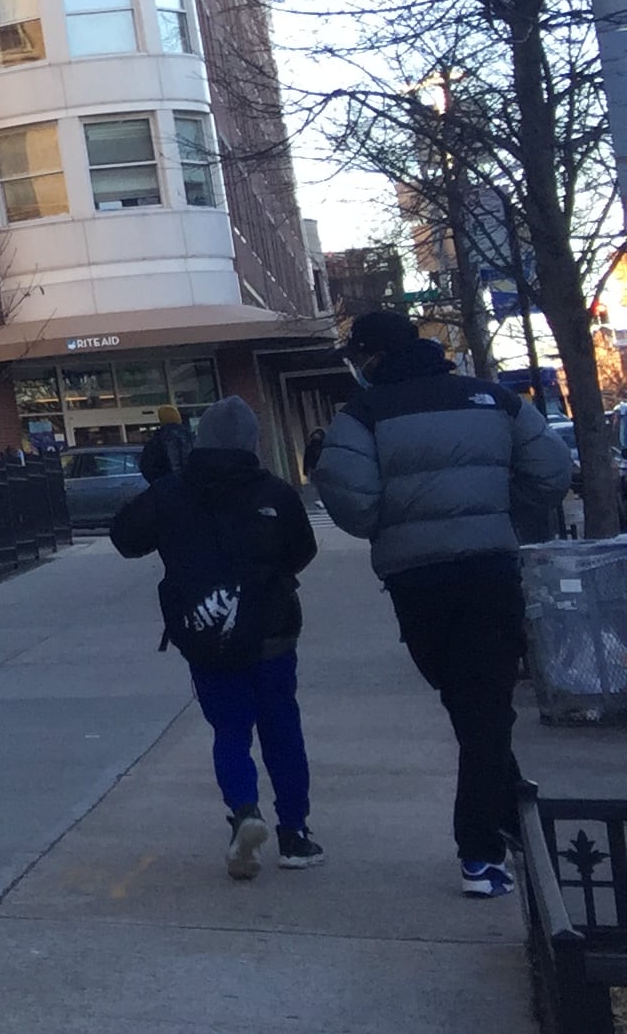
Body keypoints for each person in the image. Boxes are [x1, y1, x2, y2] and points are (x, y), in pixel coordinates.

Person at [314, 308, 576, 898]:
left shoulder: (362, 416)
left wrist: (398, 521)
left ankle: (481, 846)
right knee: (480, 702)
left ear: (375, 357)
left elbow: (352, 505)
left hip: (418, 581)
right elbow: (553, 471)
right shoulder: (493, 401)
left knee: (469, 702)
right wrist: (498, 509)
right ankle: (501, 809)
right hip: (489, 570)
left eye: (359, 356)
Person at [111, 396, 323, 879]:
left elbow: (126, 538)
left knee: (230, 730)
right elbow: (302, 551)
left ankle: (244, 812)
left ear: (201, 439)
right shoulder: (274, 492)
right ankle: (295, 833)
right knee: (282, 730)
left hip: (206, 635)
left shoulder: (171, 493)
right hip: (271, 631)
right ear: (253, 441)